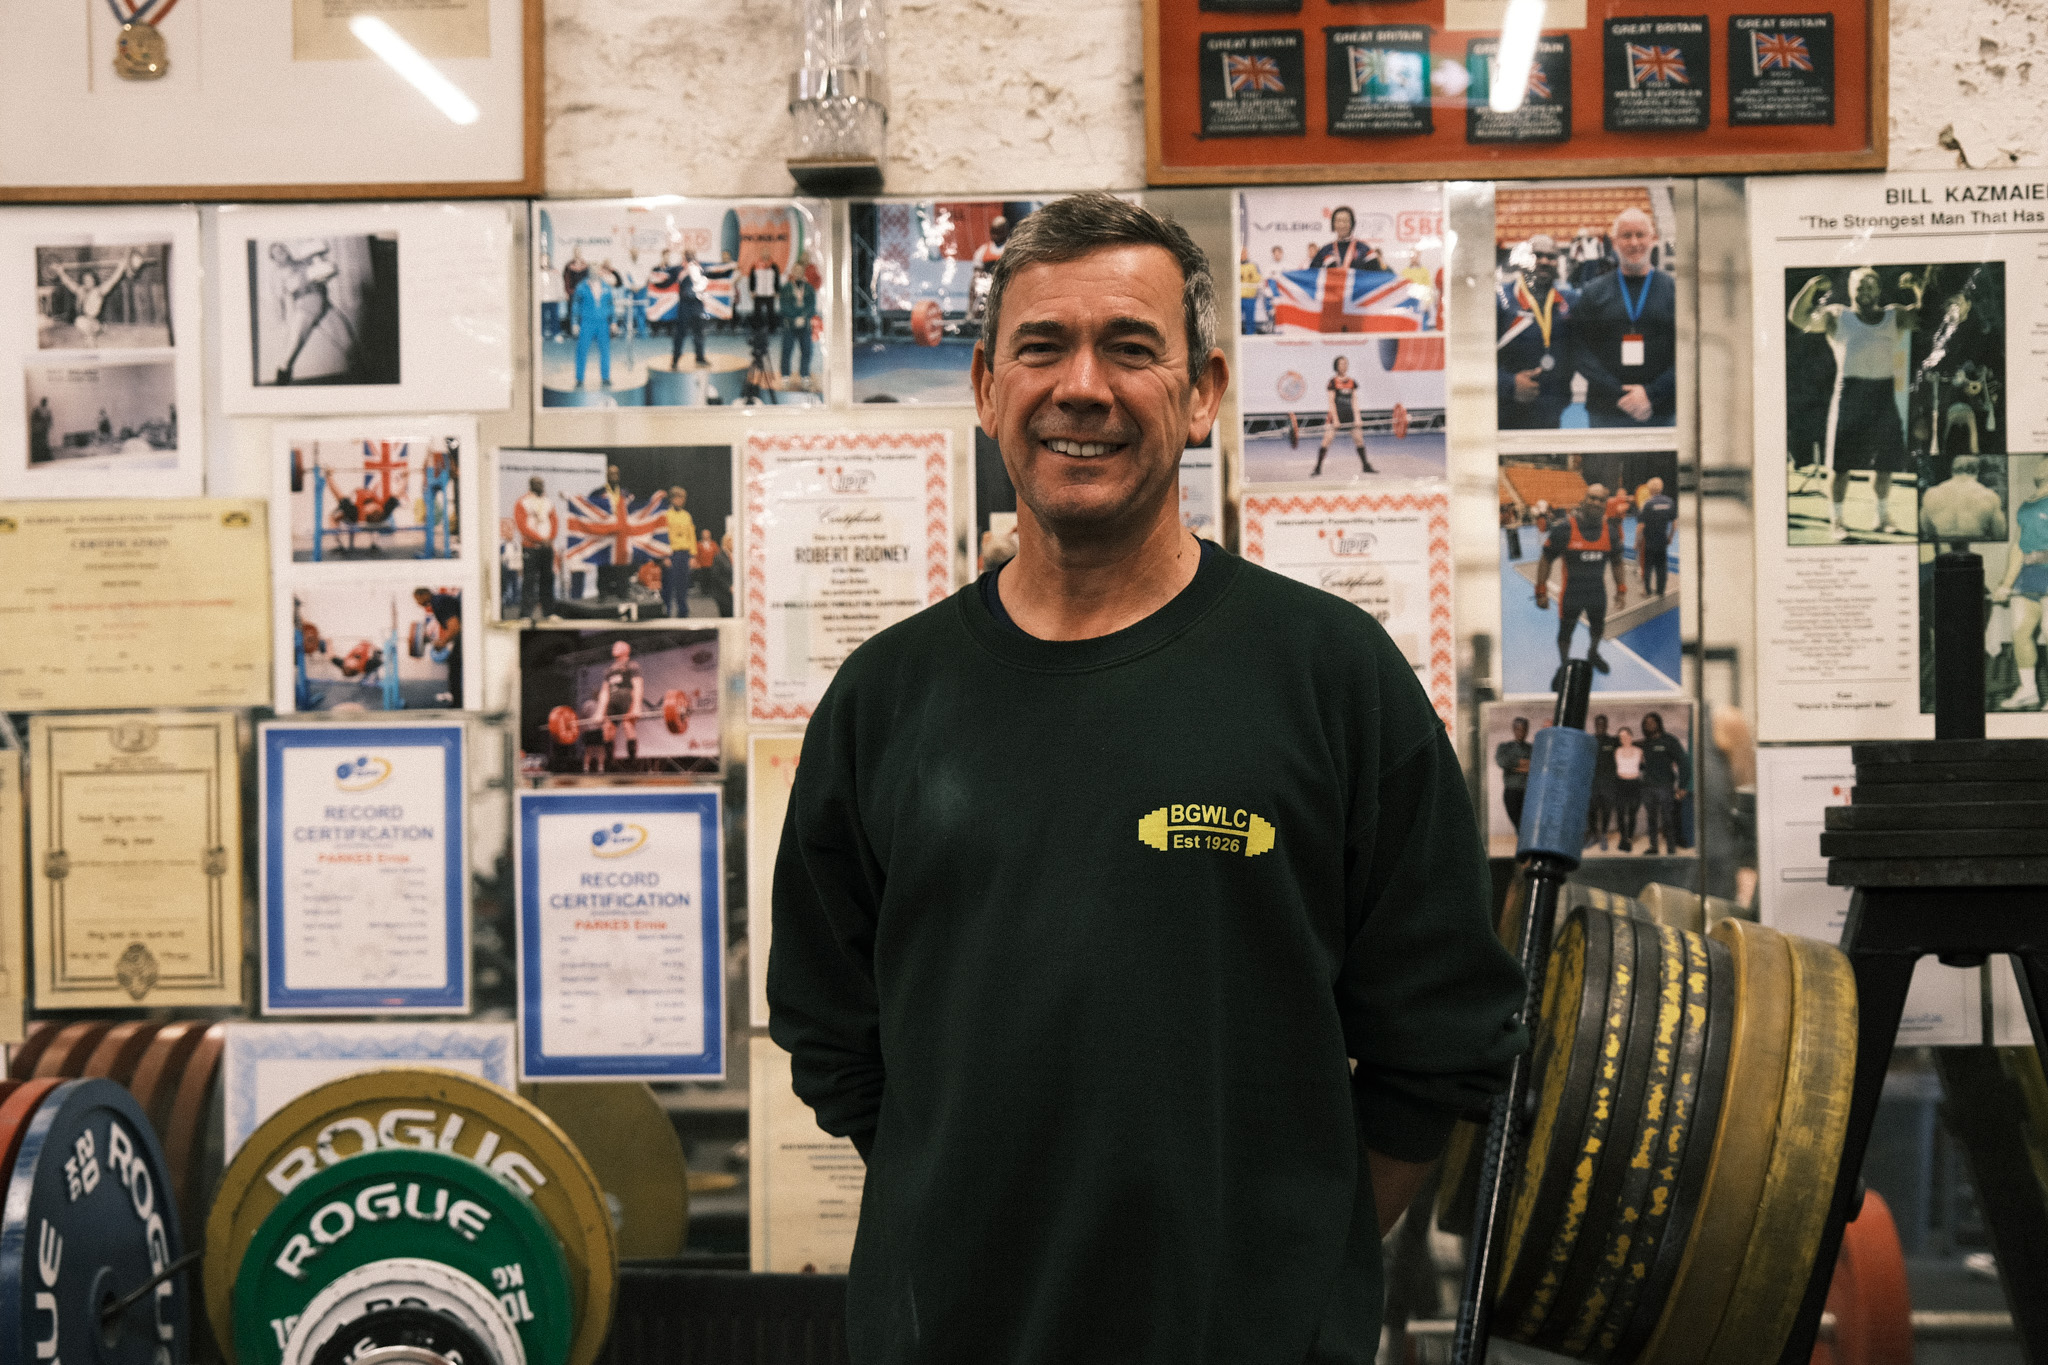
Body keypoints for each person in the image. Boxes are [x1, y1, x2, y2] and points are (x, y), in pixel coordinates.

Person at [769, 192, 1525, 1362]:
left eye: (1129, 348)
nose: (1082, 387)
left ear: (1204, 394)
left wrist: (1281, 1257)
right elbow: (830, 1034)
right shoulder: (885, 699)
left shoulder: (1331, 679)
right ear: (984, 388)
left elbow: (1442, 1043)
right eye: (1040, 348)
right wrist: (972, 1200)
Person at [1789, 267, 1929, 541]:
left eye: (1870, 286)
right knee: (1840, 466)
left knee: (1885, 463)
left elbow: (1925, 317)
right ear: (1851, 290)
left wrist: (1916, 288)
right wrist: (1811, 287)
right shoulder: (1837, 315)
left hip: (1882, 394)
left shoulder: (1894, 315)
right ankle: (1837, 521)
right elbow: (1797, 317)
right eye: (1859, 286)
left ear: (1878, 290)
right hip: (1849, 393)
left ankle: (1882, 516)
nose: (1864, 292)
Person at [1570, 208, 1676, 427]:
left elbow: (1686, 351)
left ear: (1653, 239)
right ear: (1615, 242)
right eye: (1626, 236)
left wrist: (1652, 393)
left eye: (1640, 235)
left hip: (1660, 409)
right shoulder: (1594, 292)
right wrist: (1616, 391)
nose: (1634, 242)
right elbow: (1578, 349)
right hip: (1606, 409)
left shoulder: (1673, 290)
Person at [1534, 481, 1628, 678]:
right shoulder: (1565, 529)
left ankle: (1593, 654)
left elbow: (1617, 562)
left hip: (1596, 594)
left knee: (1598, 628)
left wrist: (1621, 589)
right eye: (1592, 497)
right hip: (1572, 594)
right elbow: (1546, 559)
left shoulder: (1610, 532)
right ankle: (1564, 666)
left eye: (1600, 500)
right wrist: (1540, 591)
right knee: (1565, 633)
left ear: (1605, 504)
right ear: (1584, 500)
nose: (1595, 502)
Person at [1496, 234, 1576, 429]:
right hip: (1507, 412)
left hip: (1551, 411)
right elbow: (1474, 362)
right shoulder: (1501, 300)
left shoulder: (1569, 302)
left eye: (1551, 257)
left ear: (1558, 263)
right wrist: (1509, 384)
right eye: (1537, 255)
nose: (1544, 261)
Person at [1990, 463, 2048, 710]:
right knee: (2020, 633)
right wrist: (2005, 584)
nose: (2042, 462)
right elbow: (2017, 546)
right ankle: (2029, 690)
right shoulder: (2029, 503)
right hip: (2028, 578)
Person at [269, 241, 360, 385]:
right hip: (305, 309)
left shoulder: (305, 261)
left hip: (324, 306)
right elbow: (278, 299)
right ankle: (280, 387)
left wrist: (322, 263)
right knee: (290, 352)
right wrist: (282, 321)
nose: (282, 251)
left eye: (282, 248)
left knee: (349, 342)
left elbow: (326, 272)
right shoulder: (278, 274)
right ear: (274, 259)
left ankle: (362, 382)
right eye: (277, 252)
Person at [1638, 711, 1691, 856]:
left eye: (1652, 722)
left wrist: (1682, 786)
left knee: (1668, 820)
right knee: (1651, 820)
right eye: (1646, 724)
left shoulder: (1669, 741)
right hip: (1647, 787)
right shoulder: (1646, 743)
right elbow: (1645, 765)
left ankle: (1671, 849)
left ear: (1659, 723)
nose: (1649, 725)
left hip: (1665, 787)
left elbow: (1684, 763)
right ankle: (1653, 847)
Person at [49, 254, 133, 346]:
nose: (88, 282)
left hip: (95, 322)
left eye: (90, 280)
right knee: (80, 321)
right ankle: (94, 336)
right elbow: (68, 282)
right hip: (84, 321)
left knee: (81, 322)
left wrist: (120, 268)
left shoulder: (99, 291)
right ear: (83, 281)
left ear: (94, 280)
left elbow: (113, 280)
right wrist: (60, 272)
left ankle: (96, 333)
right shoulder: (81, 290)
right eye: (86, 280)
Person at [1920, 455, 2007, 543]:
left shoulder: (1931, 494)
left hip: (1944, 545)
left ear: (1952, 470)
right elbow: (1999, 533)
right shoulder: (1990, 496)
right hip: (1977, 545)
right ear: (1977, 470)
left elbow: (1927, 529)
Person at [1312, 353, 1374, 476]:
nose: (1344, 366)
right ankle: (1317, 468)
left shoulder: (1352, 382)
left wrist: (1358, 418)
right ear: (1336, 366)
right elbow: (1331, 401)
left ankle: (1366, 466)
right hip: (1336, 415)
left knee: (1359, 440)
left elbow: (1354, 401)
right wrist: (1335, 419)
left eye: (1345, 364)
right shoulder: (1333, 382)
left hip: (1349, 415)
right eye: (1341, 364)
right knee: (1327, 440)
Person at [514, 475, 559, 620]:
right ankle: (525, 614)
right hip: (531, 547)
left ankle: (549, 612)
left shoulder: (548, 502)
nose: (540, 486)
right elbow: (522, 526)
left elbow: (554, 521)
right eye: (537, 484)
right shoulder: (523, 502)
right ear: (531, 485)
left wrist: (550, 538)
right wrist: (539, 539)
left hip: (547, 547)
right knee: (529, 580)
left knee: (547, 579)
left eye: (542, 483)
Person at [596, 638, 644, 767]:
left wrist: (637, 706)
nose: (613, 648)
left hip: (627, 700)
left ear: (626, 650)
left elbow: (638, 685)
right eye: (614, 647)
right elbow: (605, 691)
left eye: (617, 647)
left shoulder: (632, 665)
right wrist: (599, 712)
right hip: (613, 702)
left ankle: (632, 762)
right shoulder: (609, 670)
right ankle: (609, 763)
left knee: (628, 726)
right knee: (607, 730)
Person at [412, 587, 462, 706]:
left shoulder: (438, 602)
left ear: (423, 595)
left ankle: (458, 704)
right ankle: (458, 701)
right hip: (464, 636)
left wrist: (443, 642)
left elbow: (455, 627)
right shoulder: (439, 600)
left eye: (417, 599)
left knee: (455, 666)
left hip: (466, 637)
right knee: (455, 665)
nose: (417, 603)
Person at [571, 266, 614, 389]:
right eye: (592, 271)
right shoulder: (581, 287)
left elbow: (611, 305)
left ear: (600, 272)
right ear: (589, 272)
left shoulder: (606, 287)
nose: (594, 273)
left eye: (597, 271)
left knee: (605, 351)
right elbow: (575, 306)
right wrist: (574, 323)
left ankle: (605, 377)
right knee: (582, 351)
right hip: (587, 323)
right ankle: (579, 379)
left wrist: (613, 322)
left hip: (602, 323)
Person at [1308, 206, 1387, 270]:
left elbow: (1377, 277)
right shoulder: (1325, 250)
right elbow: (1311, 276)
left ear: (1352, 224)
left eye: (1346, 221)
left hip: (1357, 290)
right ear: (1333, 224)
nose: (1342, 225)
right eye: (1338, 221)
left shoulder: (1364, 250)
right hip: (1332, 290)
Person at [1637, 476, 1677, 596]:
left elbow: (1640, 526)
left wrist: (1637, 541)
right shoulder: (1669, 502)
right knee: (1661, 566)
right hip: (1662, 540)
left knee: (1648, 565)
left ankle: (1647, 591)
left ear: (1649, 489)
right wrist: (1670, 537)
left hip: (1649, 540)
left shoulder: (1647, 504)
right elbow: (1674, 524)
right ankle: (1661, 591)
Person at [779, 269, 819, 389]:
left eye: (800, 272)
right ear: (793, 273)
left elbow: (812, 306)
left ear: (803, 274)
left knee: (807, 350)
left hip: (805, 325)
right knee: (787, 350)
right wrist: (795, 317)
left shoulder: (809, 288)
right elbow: (783, 306)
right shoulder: (786, 288)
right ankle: (785, 376)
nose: (798, 274)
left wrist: (803, 317)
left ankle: (804, 375)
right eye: (796, 272)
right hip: (789, 325)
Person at [662, 485, 697, 618]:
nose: (680, 501)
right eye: (677, 498)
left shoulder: (686, 515)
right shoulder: (665, 515)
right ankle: (667, 610)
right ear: (671, 499)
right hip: (671, 554)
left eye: (682, 498)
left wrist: (692, 555)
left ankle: (683, 610)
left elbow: (691, 535)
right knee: (669, 584)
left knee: (683, 584)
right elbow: (663, 536)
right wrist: (664, 556)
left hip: (684, 554)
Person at [1587, 714, 1620, 850]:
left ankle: (1604, 835)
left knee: (1607, 811)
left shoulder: (1613, 741)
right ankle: (1594, 835)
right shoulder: (1589, 741)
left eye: (1603, 724)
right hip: (1593, 783)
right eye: (1598, 724)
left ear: (1606, 725)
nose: (1600, 726)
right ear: (1595, 725)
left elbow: (1627, 747)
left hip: (1609, 784)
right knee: (1592, 811)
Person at [1496, 716, 1533, 831]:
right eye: (1518, 729)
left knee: (1527, 825)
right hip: (1512, 791)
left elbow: (1535, 765)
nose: (1521, 733)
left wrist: (1515, 765)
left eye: (1523, 729)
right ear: (1513, 729)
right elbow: (1502, 761)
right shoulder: (1505, 747)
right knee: (1518, 823)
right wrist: (1522, 763)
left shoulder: (1531, 748)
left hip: (1528, 792)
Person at [1612, 726, 1644, 853]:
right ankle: (1623, 838)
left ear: (1631, 736)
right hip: (1620, 783)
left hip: (1634, 784)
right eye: (1621, 737)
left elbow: (1644, 766)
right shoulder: (1617, 751)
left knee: (1632, 813)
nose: (1624, 739)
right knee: (1620, 813)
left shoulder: (1639, 751)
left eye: (1626, 736)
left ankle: (1629, 839)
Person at [538, 250, 567, 342]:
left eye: (546, 259)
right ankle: (540, 334)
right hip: (541, 298)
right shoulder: (537, 272)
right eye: (542, 259)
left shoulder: (554, 272)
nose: (544, 261)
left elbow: (559, 284)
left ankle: (556, 333)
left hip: (553, 298)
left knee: (554, 316)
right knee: (540, 317)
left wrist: (561, 295)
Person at [749, 254, 782, 335]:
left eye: (766, 253)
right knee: (757, 312)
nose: (765, 256)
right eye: (764, 253)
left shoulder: (774, 266)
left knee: (771, 312)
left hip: (770, 293)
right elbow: (752, 279)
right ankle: (757, 329)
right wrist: (751, 290)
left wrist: (777, 291)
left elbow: (777, 279)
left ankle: (772, 329)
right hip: (758, 292)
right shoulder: (755, 265)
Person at [560, 247, 590, 331]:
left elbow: (588, 280)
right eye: (576, 252)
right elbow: (566, 279)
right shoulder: (569, 266)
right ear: (574, 253)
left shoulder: (585, 265)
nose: (578, 254)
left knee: (583, 311)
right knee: (572, 311)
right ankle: (572, 330)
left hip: (583, 292)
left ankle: (583, 329)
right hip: (572, 292)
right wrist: (566, 292)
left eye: (579, 252)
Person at [28, 396, 52, 464]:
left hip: (45, 428)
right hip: (38, 428)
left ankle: (45, 455)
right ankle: (39, 456)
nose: (44, 403)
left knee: (44, 440)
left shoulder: (48, 410)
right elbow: (33, 418)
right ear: (41, 402)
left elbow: (50, 419)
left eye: (45, 402)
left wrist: (49, 425)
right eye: (43, 401)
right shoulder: (37, 409)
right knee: (39, 441)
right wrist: (36, 425)